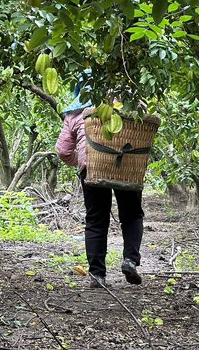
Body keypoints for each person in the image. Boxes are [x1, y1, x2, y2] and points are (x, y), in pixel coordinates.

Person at [55, 77, 144, 288]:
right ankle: (130, 260)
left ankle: (97, 274)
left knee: (96, 219)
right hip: (127, 166)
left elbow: (63, 151)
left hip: (93, 169)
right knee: (132, 214)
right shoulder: (129, 104)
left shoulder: (74, 114)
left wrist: (83, 160)